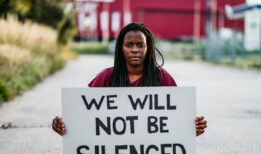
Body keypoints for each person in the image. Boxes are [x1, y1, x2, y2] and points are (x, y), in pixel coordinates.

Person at [52, 22, 207, 136]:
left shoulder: (162, 78)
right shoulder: (107, 77)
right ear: (121, 48)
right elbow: (83, 113)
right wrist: (64, 125)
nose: (134, 49)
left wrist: (193, 128)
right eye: (129, 45)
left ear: (148, 48)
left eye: (140, 45)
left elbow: (177, 118)